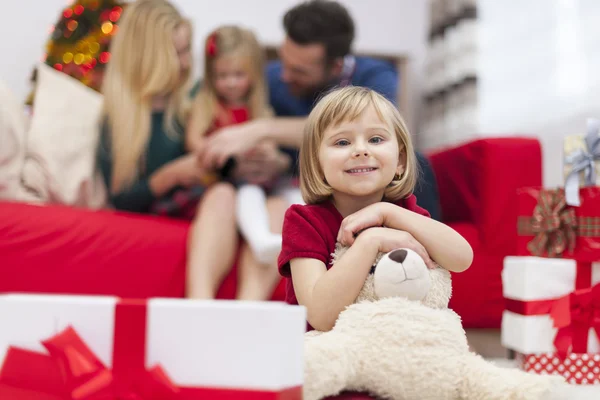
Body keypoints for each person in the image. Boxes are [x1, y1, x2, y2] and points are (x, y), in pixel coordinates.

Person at [97, 0, 288, 300]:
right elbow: (121, 200)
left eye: (188, 50)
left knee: (279, 209)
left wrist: (271, 161)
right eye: (179, 53)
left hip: (224, 192)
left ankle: (249, 312)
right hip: (198, 201)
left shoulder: (197, 97)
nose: (188, 62)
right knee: (223, 196)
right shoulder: (119, 120)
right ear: (149, 56)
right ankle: (199, 306)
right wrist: (172, 174)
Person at [200, 0, 441, 220]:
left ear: (336, 66)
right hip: (294, 186)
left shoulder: (375, 75)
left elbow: (368, 129)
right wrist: (275, 161)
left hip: (355, 182)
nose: (284, 75)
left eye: (299, 71)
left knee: (416, 161)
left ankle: (422, 248)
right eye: (284, 61)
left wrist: (262, 130)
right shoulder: (272, 78)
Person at [277, 86, 473, 332]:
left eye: (376, 139)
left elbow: (462, 258)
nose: (361, 150)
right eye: (342, 142)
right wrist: (371, 240)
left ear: (400, 161)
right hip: (328, 357)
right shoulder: (304, 221)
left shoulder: (403, 211)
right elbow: (320, 315)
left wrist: (387, 213)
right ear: (317, 164)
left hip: (391, 349)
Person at [186, 25, 287, 266]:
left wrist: (267, 154)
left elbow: (270, 141)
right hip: (219, 179)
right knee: (244, 193)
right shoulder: (206, 103)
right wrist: (215, 149)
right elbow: (193, 139)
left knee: (281, 196)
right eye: (222, 76)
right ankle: (260, 238)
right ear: (211, 76)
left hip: (254, 176)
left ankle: (267, 237)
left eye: (238, 75)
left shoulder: (259, 107)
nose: (230, 83)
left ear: (253, 73)